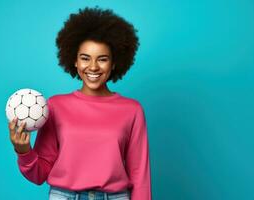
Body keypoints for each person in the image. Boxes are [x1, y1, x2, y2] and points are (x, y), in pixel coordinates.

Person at [8, 6, 152, 200]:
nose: (93, 67)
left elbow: (140, 175)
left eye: (102, 59)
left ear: (114, 63)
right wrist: (23, 150)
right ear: (74, 61)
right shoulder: (55, 106)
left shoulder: (132, 110)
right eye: (85, 58)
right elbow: (40, 174)